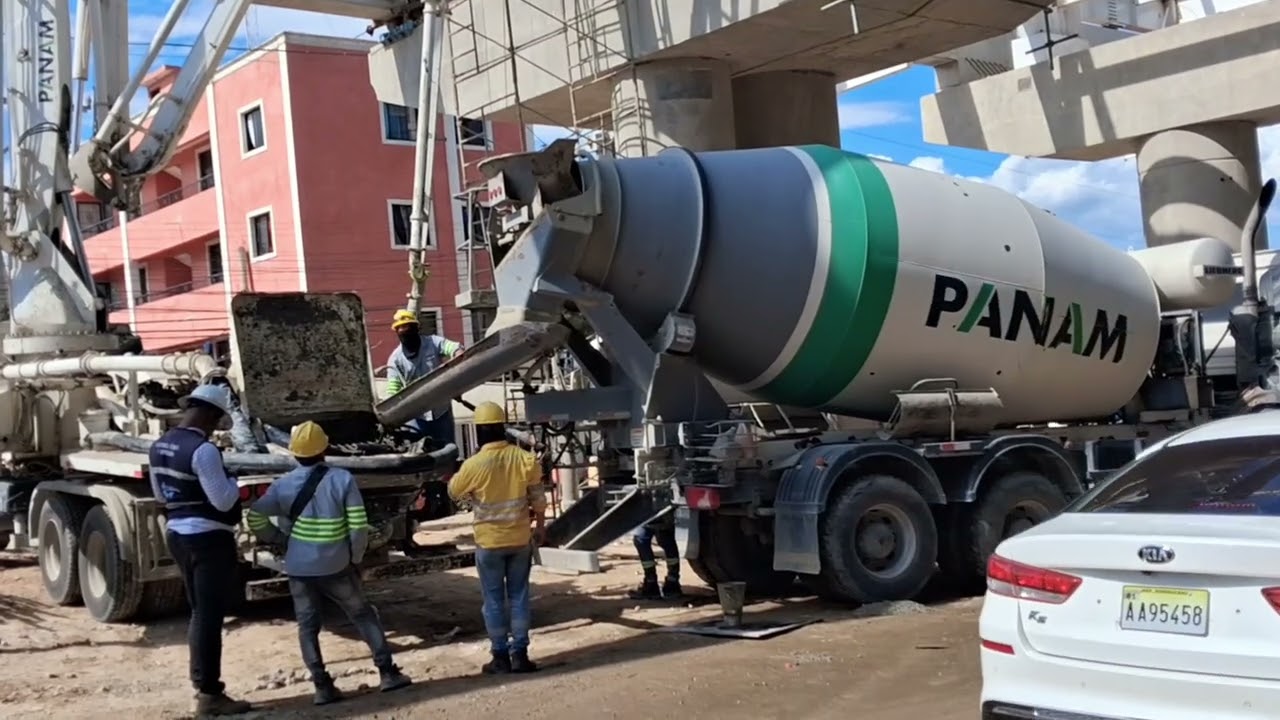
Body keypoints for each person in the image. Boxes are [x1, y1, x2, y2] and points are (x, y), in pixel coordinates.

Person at [245, 421, 411, 705]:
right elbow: (358, 527)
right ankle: (387, 674)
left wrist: (279, 539)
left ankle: (322, 687)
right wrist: (355, 557)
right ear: (324, 449)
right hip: (336, 566)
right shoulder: (342, 479)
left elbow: (255, 516)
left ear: (293, 453)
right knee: (362, 614)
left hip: (298, 568)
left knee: (307, 627)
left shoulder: (283, 485)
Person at [148, 383, 251, 717]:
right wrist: (239, 484)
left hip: (178, 535)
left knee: (199, 612)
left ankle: (204, 686)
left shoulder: (159, 445)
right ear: (209, 413)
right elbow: (222, 499)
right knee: (209, 616)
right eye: (217, 418)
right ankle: (209, 693)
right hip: (209, 540)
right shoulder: (202, 451)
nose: (215, 426)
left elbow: (161, 497)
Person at [447, 401, 547, 675]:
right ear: (502, 428)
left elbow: (454, 491)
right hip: (519, 541)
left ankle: (499, 657)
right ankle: (521, 655)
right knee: (519, 597)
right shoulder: (524, 459)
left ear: (479, 432)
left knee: (492, 600)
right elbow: (538, 498)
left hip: (489, 544)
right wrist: (540, 526)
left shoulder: (474, 464)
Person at [385, 309, 464, 446]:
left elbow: (453, 348)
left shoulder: (433, 342)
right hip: (415, 417)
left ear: (416, 328)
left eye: (407, 327)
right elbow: (393, 391)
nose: (404, 331)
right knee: (420, 455)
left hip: (441, 411)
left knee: (448, 450)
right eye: (400, 329)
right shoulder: (395, 360)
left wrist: (458, 356)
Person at [628, 512, 683, 600]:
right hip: (663, 506)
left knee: (642, 539)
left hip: (650, 506)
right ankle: (671, 582)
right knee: (665, 537)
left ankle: (652, 583)